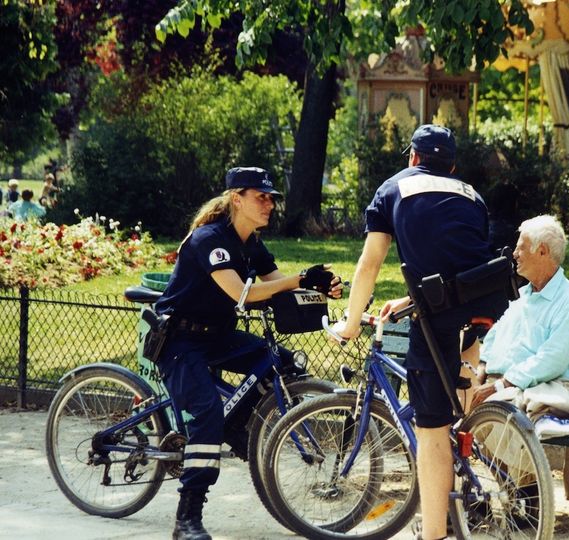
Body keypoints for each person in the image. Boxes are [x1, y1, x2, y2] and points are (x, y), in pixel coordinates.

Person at [331, 124, 509, 540]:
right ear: (452, 165)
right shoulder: (471, 194)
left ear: (412, 158)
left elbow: (371, 262)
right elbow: (460, 267)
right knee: (460, 402)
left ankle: (435, 532)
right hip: (487, 310)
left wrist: (352, 321)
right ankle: (469, 485)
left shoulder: (392, 189)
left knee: (430, 431)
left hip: (439, 319)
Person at [153, 166, 343, 540]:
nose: (269, 204)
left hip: (218, 336)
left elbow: (277, 286)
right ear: (236, 199)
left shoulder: (251, 242)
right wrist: (299, 277)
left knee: (282, 363)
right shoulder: (210, 239)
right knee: (206, 414)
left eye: (272, 197)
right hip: (179, 342)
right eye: (261, 197)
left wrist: (321, 287)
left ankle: (237, 428)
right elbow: (242, 293)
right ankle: (186, 518)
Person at [470, 214, 569, 409]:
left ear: (542, 251)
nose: (514, 254)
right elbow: (493, 337)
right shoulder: (521, 295)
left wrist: (500, 385)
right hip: (497, 388)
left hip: (530, 392)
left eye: (521, 247)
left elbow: (552, 360)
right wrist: (482, 368)